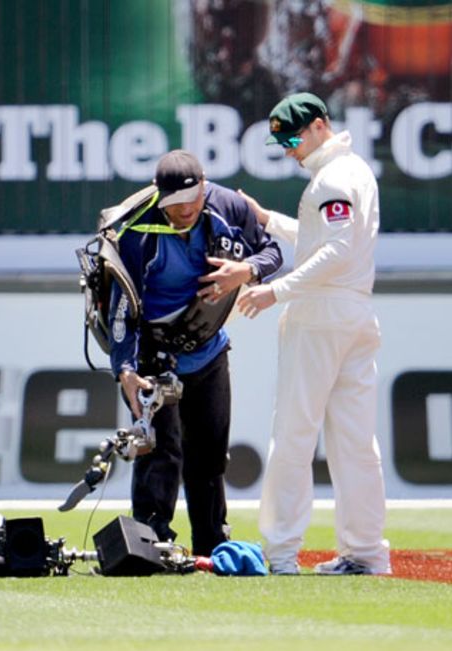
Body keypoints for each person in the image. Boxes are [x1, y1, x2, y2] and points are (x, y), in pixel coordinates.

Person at [235, 92, 390, 575]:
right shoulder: (353, 170)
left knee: (294, 434)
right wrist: (268, 220)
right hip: (355, 311)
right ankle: (366, 553)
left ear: (320, 125)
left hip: (320, 313)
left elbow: (334, 252)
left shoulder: (332, 179)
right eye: (282, 143)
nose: (289, 150)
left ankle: (281, 552)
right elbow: (324, 242)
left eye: (293, 139)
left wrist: (276, 290)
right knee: (355, 442)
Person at [108, 149, 281, 556]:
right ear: (158, 194)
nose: (185, 209)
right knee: (160, 453)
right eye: (175, 203)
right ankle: (152, 545)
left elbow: (271, 253)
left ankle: (211, 542)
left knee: (209, 453)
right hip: (153, 355)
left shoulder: (229, 206)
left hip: (209, 349)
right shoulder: (136, 231)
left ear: (205, 185)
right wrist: (125, 370)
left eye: (193, 198)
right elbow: (121, 309)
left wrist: (246, 271)